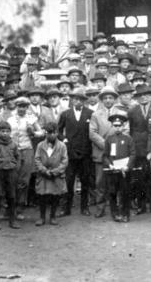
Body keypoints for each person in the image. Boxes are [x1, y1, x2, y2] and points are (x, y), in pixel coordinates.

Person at [58, 87, 95, 216]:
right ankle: (66, 208)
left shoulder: (90, 113)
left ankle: (84, 207)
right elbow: (58, 131)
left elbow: (94, 131)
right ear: (72, 100)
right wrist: (64, 139)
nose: (78, 101)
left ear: (84, 101)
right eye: (75, 99)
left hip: (85, 152)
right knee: (69, 180)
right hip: (70, 152)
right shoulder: (65, 114)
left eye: (80, 99)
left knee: (85, 180)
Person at [127, 84, 151, 215]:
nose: (143, 98)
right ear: (136, 98)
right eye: (139, 96)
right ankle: (141, 205)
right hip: (137, 148)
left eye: (145, 95)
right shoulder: (132, 111)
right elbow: (130, 130)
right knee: (138, 178)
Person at [8, 97, 44, 220]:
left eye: (24, 106)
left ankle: (20, 207)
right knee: (12, 178)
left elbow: (42, 132)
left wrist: (33, 133)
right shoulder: (10, 118)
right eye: (19, 106)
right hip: (12, 151)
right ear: (16, 106)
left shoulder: (31, 119)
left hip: (27, 150)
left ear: (27, 107)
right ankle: (9, 207)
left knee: (24, 180)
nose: (21, 108)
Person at [88, 86, 122, 218]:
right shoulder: (96, 115)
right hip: (101, 152)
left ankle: (116, 208)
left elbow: (125, 131)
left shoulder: (121, 113)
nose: (108, 100)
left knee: (116, 182)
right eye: (105, 98)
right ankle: (100, 207)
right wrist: (106, 145)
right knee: (100, 182)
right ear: (102, 100)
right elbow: (92, 133)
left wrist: (116, 146)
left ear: (114, 99)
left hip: (117, 153)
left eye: (111, 98)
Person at [0, 121, 21, 230]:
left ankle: (13, 220)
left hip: (10, 172)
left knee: (11, 196)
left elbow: (18, 157)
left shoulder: (14, 144)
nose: (5, 134)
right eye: (2, 131)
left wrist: (16, 169)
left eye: (7, 131)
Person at [102, 110, 135, 222]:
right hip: (113, 171)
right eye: (115, 126)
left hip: (124, 170)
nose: (117, 128)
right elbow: (105, 155)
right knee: (112, 192)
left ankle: (125, 214)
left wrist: (128, 166)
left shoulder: (128, 139)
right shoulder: (109, 139)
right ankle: (115, 213)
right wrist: (109, 165)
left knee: (125, 192)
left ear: (123, 126)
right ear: (112, 126)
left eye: (119, 126)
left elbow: (133, 154)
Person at [33, 122, 68, 226]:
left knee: (55, 196)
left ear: (57, 133)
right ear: (45, 133)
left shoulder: (62, 146)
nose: (51, 135)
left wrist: (55, 171)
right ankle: (42, 217)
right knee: (42, 197)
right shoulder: (40, 145)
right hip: (43, 175)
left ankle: (53, 216)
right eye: (49, 133)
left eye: (53, 133)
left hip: (56, 176)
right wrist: (44, 170)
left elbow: (65, 161)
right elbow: (37, 159)